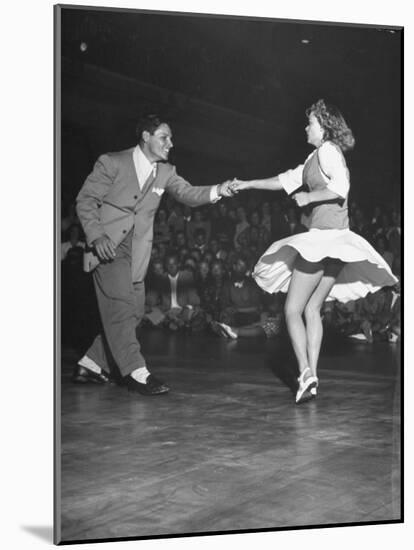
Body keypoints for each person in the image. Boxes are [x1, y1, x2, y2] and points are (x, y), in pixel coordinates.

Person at [231, 99, 398, 404]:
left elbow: (341, 188)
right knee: (311, 310)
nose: (306, 127)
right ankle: (312, 377)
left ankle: (305, 372)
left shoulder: (327, 151)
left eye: (310, 122)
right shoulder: (313, 158)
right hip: (335, 246)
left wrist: (309, 198)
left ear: (324, 126)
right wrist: (246, 183)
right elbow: (282, 181)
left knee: (292, 310)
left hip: (324, 240)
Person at [74, 113, 234, 395]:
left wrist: (218, 190)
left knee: (134, 312)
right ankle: (136, 371)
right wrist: (96, 236)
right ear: (145, 137)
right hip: (108, 247)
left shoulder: (166, 172)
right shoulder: (111, 162)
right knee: (122, 308)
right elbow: (86, 200)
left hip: (137, 253)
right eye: (164, 137)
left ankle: (91, 362)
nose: (170, 143)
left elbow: (188, 193)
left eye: (170, 138)